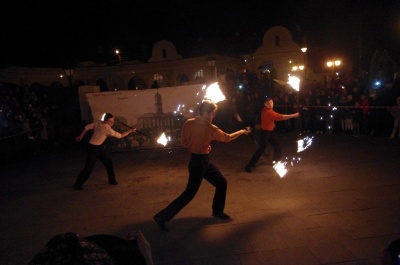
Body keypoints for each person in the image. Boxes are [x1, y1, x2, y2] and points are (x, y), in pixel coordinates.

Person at [153, 100, 251, 232]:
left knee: (221, 182)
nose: (214, 116)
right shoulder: (211, 128)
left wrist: (196, 146)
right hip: (200, 163)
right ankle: (162, 216)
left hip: (197, 161)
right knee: (189, 193)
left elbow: (183, 142)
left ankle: (217, 212)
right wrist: (241, 132)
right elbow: (227, 138)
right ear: (206, 113)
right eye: (212, 113)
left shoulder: (188, 123)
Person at [73, 113, 135, 190]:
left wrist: (81, 136)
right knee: (88, 168)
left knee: (108, 163)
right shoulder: (107, 129)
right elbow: (120, 136)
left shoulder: (98, 122)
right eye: (111, 121)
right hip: (92, 149)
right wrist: (130, 131)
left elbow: (87, 127)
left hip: (98, 147)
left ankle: (112, 181)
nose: (112, 122)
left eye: (113, 120)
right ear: (106, 121)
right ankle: (77, 185)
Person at [245, 97, 300, 173]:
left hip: (269, 132)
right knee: (261, 150)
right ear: (265, 104)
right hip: (265, 133)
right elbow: (282, 117)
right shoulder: (269, 112)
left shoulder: (264, 109)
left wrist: (272, 124)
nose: (270, 104)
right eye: (268, 103)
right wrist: (294, 115)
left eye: (271, 102)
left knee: (277, 146)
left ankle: (276, 161)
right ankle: (249, 166)